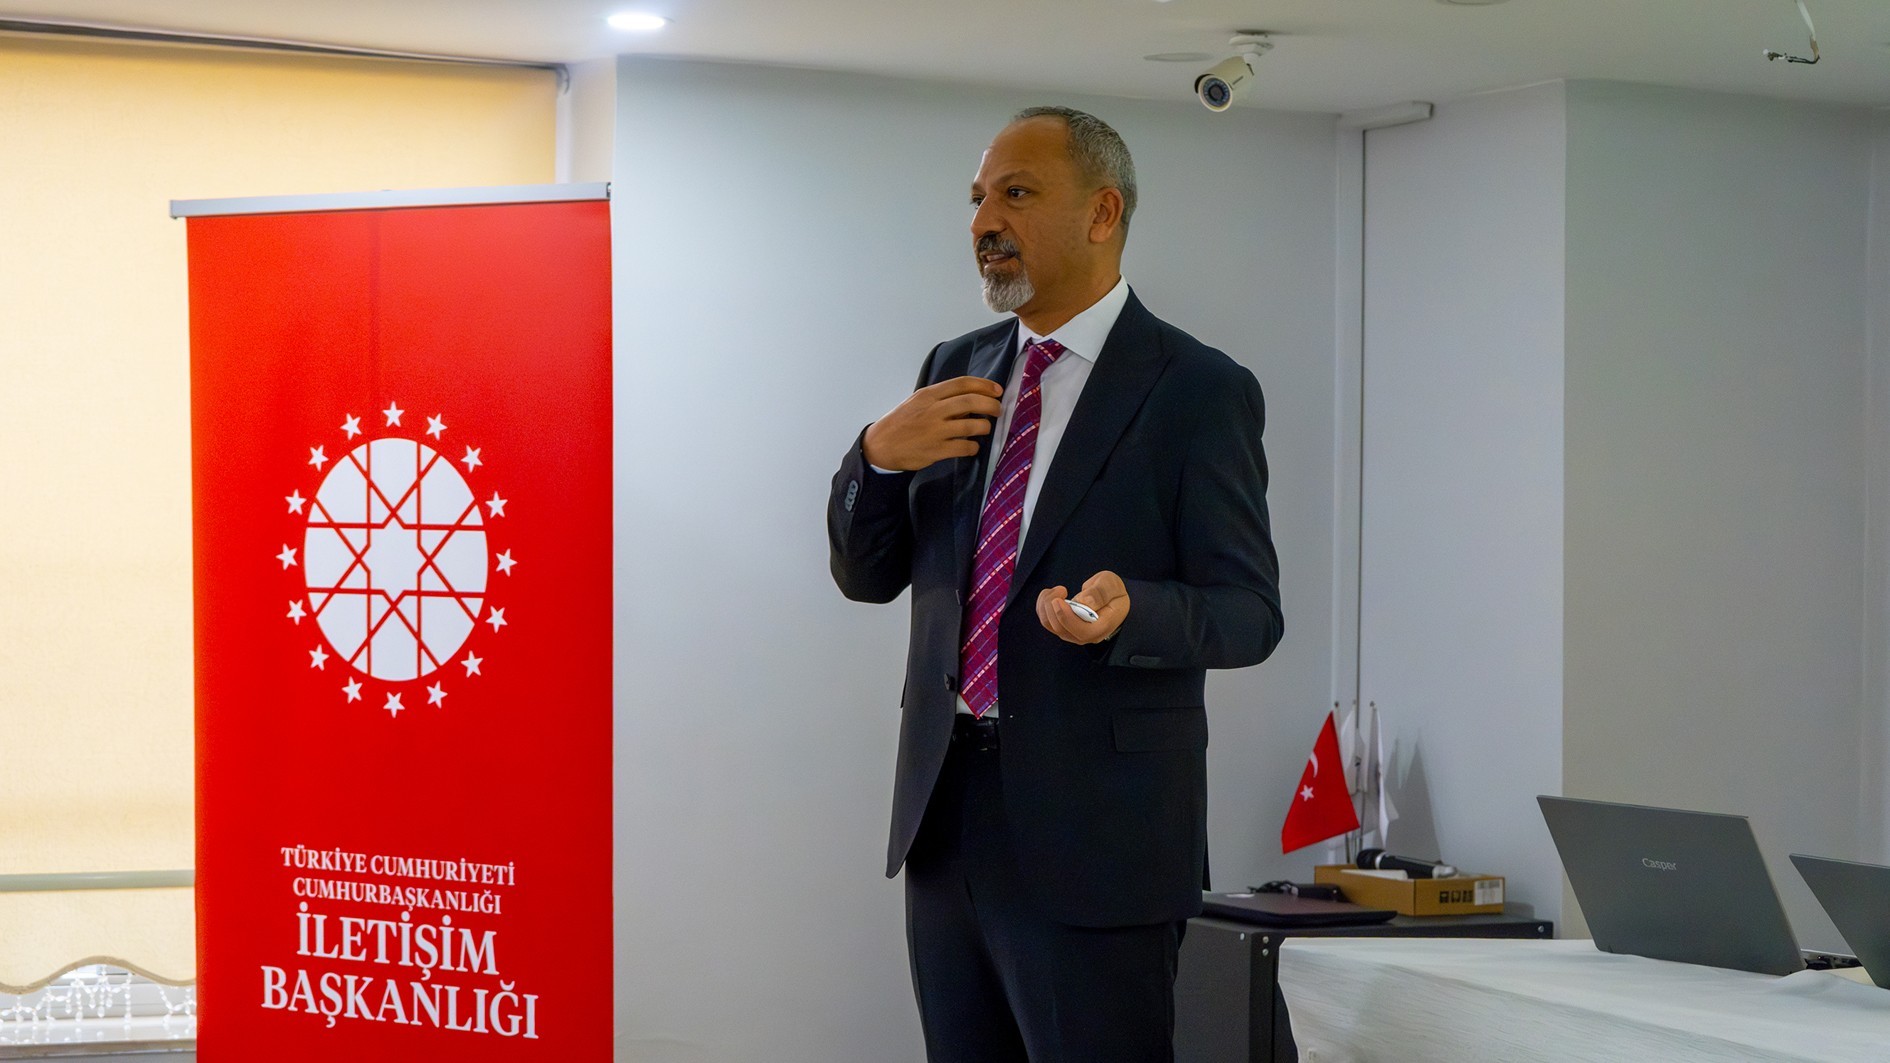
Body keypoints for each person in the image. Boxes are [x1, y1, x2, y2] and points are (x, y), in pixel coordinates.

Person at [827, 105, 1284, 1062]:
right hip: (946, 818)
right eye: (977, 198)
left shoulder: (1197, 389)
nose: (984, 221)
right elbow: (866, 576)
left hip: (1102, 843)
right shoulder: (956, 368)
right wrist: (875, 456)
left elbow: (1249, 612)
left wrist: (1133, 610)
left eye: (1016, 193)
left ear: (1102, 213)